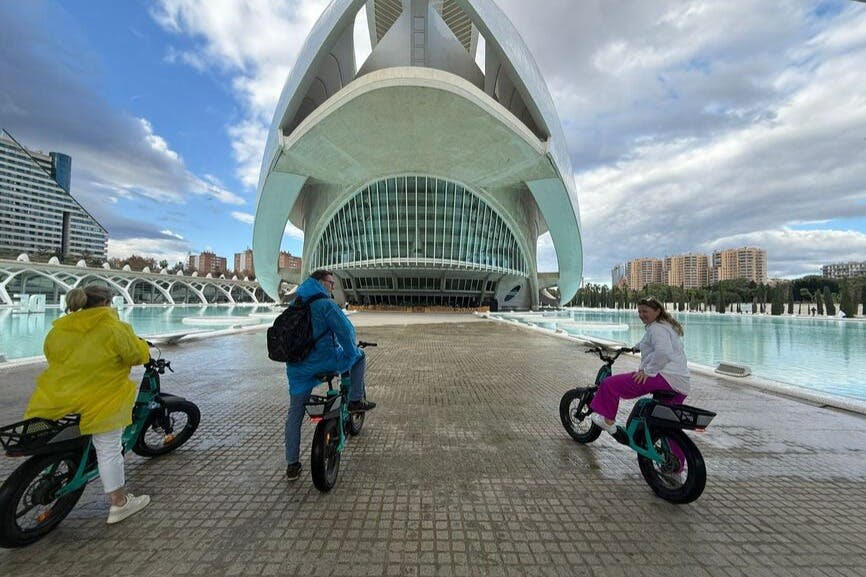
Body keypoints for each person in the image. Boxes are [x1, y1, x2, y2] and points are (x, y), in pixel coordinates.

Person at [24, 285, 151, 524]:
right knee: (109, 448)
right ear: (105, 303)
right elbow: (136, 355)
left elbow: (51, 355)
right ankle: (119, 504)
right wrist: (145, 348)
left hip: (57, 398)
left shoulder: (58, 330)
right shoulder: (114, 328)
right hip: (101, 401)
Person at [284, 270, 376, 481]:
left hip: (297, 368)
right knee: (358, 357)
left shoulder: (296, 303)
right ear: (320, 282)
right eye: (330, 283)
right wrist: (352, 352)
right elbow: (346, 333)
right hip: (324, 361)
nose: (333, 287)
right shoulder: (325, 305)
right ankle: (354, 401)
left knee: (294, 413)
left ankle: (292, 464)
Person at [590, 296, 690, 434]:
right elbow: (651, 343)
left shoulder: (656, 329)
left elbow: (663, 352)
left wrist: (648, 372)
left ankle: (608, 422)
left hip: (665, 377)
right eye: (639, 312)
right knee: (668, 425)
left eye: (645, 311)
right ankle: (676, 455)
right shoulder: (665, 326)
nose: (641, 315)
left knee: (609, 385)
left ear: (657, 311)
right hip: (681, 383)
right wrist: (636, 348)